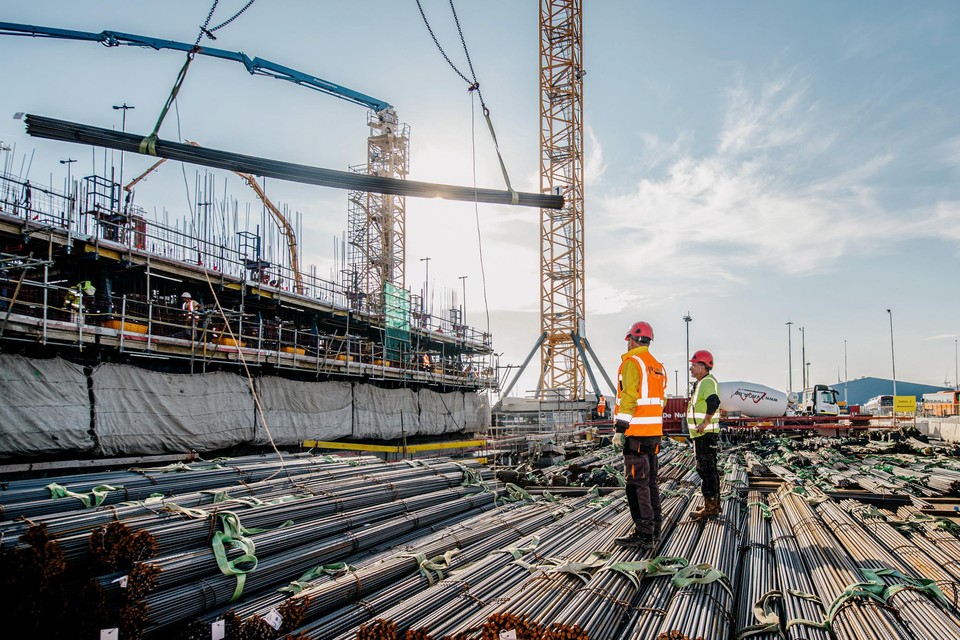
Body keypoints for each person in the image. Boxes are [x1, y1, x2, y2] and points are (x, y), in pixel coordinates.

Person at [613, 320, 668, 550]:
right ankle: (655, 526)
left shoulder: (632, 362)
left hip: (635, 433)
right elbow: (661, 401)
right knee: (650, 482)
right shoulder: (657, 366)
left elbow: (629, 398)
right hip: (654, 433)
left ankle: (644, 533)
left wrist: (619, 429)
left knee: (636, 484)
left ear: (631, 339)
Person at [687, 349, 721, 519]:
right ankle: (712, 504)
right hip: (702, 434)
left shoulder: (707, 382)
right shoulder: (702, 383)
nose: (690, 368)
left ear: (702, 366)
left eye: (693, 365)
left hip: (705, 434)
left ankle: (711, 507)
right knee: (708, 470)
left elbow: (714, 401)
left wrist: (705, 422)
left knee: (706, 470)